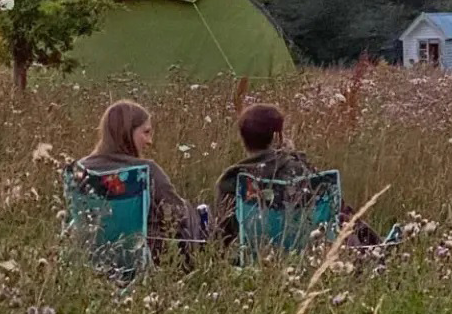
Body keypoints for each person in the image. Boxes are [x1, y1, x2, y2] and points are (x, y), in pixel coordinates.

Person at [212, 103, 379, 249]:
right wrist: (290, 155)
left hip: (251, 262)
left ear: (244, 139)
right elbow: (340, 212)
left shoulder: (232, 180)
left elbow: (223, 236)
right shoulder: (302, 172)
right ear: (278, 136)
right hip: (307, 258)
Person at [79, 100, 203, 265]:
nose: (150, 141)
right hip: (141, 260)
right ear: (127, 132)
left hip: (90, 259)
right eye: (146, 132)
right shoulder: (145, 171)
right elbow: (177, 215)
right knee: (192, 212)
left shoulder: (80, 170)